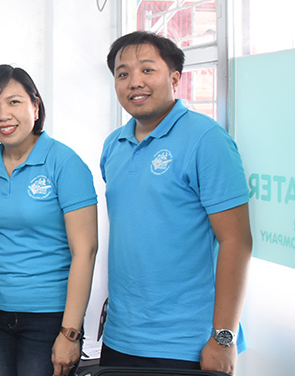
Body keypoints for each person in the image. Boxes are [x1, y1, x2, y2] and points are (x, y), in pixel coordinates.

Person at [99, 31, 252, 373]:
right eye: (123, 74)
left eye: (147, 70)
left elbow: (236, 241)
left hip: (189, 344)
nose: (134, 82)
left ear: (175, 78)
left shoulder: (206, 139)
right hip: (121, 338)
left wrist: (223, 337)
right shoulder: (114, 145)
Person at [0, 65, 98, 376]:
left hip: (49, 316)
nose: (3, 115)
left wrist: (70, 332)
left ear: (35, 106)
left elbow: (86, 251)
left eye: (14, 102)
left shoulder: (64, 163)